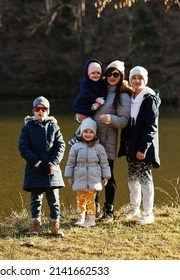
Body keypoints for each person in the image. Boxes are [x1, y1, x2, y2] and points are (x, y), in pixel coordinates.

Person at [118, 66, 161, 225]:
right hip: (131, 141)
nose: (137, 81)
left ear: (145, 80)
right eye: (134, 78)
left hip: (143, 144)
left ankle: (148, 213)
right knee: (132, 176)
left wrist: (143, 148)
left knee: (145, 178)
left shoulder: (149, 97)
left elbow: (151, 126)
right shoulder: (132, 95)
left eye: (140, 78)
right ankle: (133, 208)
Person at [18, 96, 66, 237]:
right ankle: (36, 226)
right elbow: (23, 148)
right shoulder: (27, 128)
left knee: (54, 200)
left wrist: (52, 163)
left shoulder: (54, 127)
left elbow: (60, 146)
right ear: (33, 111)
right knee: (36, 200)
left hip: (52, 170)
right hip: (35, 169)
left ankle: (54, 225)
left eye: (43, 109)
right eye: (37, 109)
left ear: (48, 111)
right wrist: (38, 163)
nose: (40, 111)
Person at [93, 60, 133, 222]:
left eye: (115, 74)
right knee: (91, 174)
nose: (111, 77)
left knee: (107, 175)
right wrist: (80, 116)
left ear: (121, 75)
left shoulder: (122, 95)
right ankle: (91, 208)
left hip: (108, 140)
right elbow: (89, 109)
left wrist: (110, 119)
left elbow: (124, 120)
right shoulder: (100, 90)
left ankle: (109, 211)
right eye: (109, 73)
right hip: (92, 139)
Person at [64, 118, 111, 227]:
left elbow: (104, 162)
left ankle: (91, 219)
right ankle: (80, 218)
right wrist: (69, 177)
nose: (88, 134)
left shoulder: (99, 147)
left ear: (95, 134)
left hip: (93, 177)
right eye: (85, 131)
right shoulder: (75, 147)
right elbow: (70, 162)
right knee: (80, 199)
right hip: (79, 177)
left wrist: (106, 176)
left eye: (91, 132)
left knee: (90, 200)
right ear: (81, 133)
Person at [69, 59, 108, 145]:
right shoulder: (85, 82)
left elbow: (104, 94)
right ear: (88, 73)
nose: (96, 75)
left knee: (90, 122)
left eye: (98, 73)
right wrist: (96, 100)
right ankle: (76, 137)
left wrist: (98, 103)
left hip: (92, 107)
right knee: (87, 121)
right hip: (82, 105)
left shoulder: (102, 83)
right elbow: (85, 93)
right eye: (93, 73)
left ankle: (88, 140)